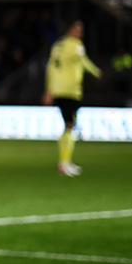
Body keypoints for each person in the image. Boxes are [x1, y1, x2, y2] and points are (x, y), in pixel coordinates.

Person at [43, 20, 101, 177]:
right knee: (70, 125)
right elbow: (84, 61)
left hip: (58, 90)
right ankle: (64, 162)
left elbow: (50, 68)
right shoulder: (76, 45)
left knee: (68, 125)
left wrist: (49, 90)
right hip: (71, 91)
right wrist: (96, 71)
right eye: (77, 28)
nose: (80, 32)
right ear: (69, 29)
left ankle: (66, 161)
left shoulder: (57, 46)